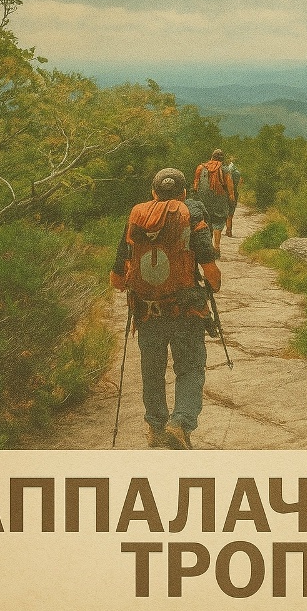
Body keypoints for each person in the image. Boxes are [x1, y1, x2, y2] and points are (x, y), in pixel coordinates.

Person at [110, 168, 221, 450]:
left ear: (153, 192)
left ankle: (156, 427)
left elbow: (116, 280)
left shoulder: (136, 216)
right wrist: (212, 285)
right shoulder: (192, 214)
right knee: (190, 368)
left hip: (146, 311)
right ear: (184, 193)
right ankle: (180, 423)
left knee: (152, 368)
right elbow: (212, 274)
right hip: (186, 310)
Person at [193, 149, 235, 256]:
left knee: (207, 223)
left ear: (212, 157)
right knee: (218, 223)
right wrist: (231, 200)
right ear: (222, 159)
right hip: (220, 200)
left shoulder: (200, 167)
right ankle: (217, 247)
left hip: (204, 201)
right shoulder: (225, 169)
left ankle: (209, 248)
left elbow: (195, 186)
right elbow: (230, 188)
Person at [223, 156, 243, 237]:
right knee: (231, 213)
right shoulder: (237, 173)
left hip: (225, 193)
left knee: (225, 212)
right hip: (234, 193)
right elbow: (240, 183)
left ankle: (226, 229)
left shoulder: (225, 171)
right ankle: (229, 230)